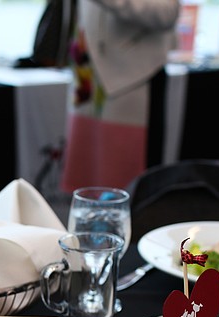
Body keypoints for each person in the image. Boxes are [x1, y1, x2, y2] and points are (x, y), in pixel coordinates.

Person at [60, 0, 180, 193]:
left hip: (133, 79)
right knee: (87, 184)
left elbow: (167, 12)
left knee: (128, 188)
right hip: (90, 76)